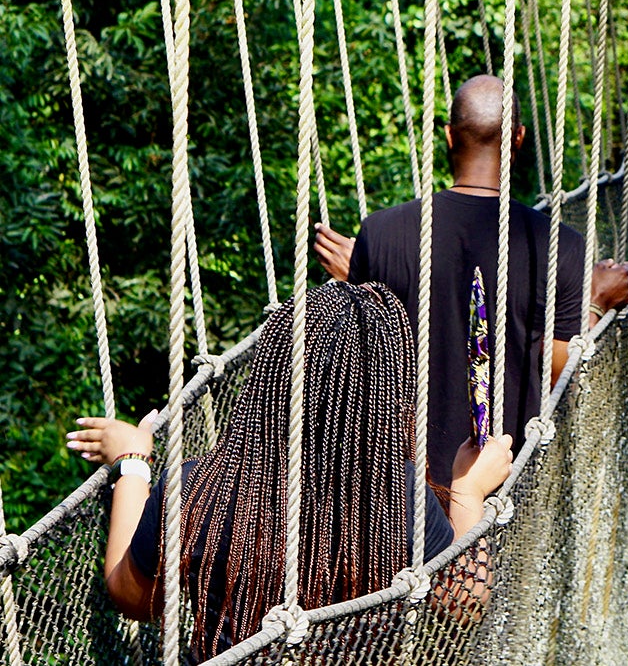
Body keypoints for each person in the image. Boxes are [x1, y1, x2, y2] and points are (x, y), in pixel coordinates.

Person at [67, 281, 513, 659]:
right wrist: (469, 491)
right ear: (383, 395)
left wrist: (134, 464)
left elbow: (133, 596)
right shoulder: (396, 499)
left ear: (269, 379)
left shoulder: (198, 490)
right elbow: (465, 603)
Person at [313, 75, 628, 488]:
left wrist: (362, 281)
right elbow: (562, 375)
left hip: (399, 488)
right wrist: (595, 301)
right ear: (518, 138)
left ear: (448, 136)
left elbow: (361, 356)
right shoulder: (560, 248)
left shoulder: (381, 232)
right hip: (504, 487)